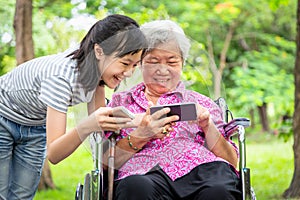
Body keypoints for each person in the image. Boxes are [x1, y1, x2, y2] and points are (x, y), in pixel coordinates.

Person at [0, 14, 147, 200]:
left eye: (135, 65)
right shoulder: (61, 78)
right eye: (125, 63)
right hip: (3, 116)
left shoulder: (97, 72)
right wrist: (87, 125)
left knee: (22, 195)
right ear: (99, 51)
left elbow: (101, 128)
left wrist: (138, 122)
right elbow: (54, 153)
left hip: (34, 124)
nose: (129, 73)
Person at [104, 20, 242, 200]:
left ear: (182, 64)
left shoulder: (202, 103)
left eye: (171, 62)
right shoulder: (121, 102)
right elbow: (106, 163)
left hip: (203, 171)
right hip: (143, 173)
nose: (163, 70)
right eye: (153, 61)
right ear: (139, 63)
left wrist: (207, 126)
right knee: (135, 187)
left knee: (219, 189)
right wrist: (141, 135)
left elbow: (231, 161)